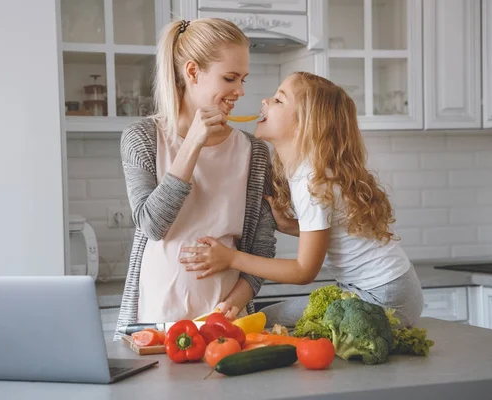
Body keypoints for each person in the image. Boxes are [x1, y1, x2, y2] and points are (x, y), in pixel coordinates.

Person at [180, 72, 424, 327]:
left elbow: (304, 271)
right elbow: (338, 232)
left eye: (279, 100)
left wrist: (230, 258)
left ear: (304, 124)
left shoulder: (311, 180)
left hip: (385, 297)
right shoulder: (310, 172)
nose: (265, 101)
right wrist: (287, 225)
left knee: (270, 322)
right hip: (395, 287)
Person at [114, 18, 277, 339]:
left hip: (228, 325)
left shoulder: (254, 151)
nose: (240, 91)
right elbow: (152, 225)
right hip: (155, 321)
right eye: (229, 78)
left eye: (243, 79)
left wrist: (233, 304)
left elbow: (262, 247)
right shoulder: (142, 138)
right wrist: (192, 145)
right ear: (192, 72)